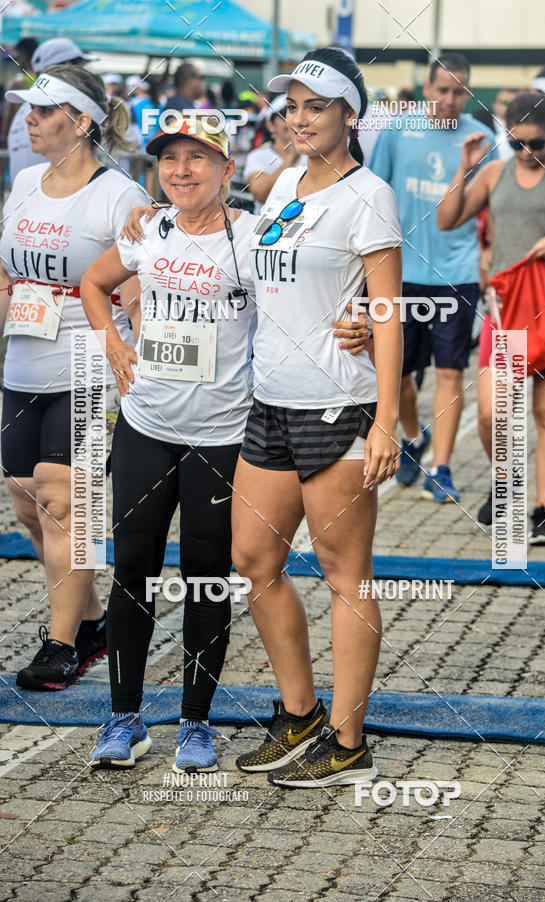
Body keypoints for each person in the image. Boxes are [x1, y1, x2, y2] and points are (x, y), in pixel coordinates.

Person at [82, 112, 369, 772]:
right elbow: (95, 286)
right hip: (145, 427)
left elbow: (305, 295)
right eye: (170, 160)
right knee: (132, 573)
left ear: (227, 170)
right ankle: (124, 717)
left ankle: (195, 723)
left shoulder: (253, 237)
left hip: (221, 436)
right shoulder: (147, 228)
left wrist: (355, 322)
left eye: (197, 159)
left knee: (207, 578)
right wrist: (113, 343)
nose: (181, 171)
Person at [231, 46, 403, 789]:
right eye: (291, 105)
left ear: (349, 116)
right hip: (269, 403)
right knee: (253, 563)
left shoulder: (369, 194)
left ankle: (348, 738)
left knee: (346, 578)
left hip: (338, 407)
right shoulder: (281, 186)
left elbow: (390, 313)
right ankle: (299, 715)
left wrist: (389, 420)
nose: (299, 118)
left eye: (317, 106)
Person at [0, 65, 147, 691]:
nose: (27, 120)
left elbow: (139, 290)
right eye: (26, 110)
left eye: (42, 111)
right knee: (28, 504)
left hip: (88, 366)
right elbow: (6, 273)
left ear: (81, 122)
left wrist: (139, 364)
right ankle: (92, 620)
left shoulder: (121, 196)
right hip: (22, 363)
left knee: (67, 507)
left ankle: (61, 645)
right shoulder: (26, 181)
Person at [437, 91, 545, 544]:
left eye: (537, 143)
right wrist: (464, 171)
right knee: (492, 412)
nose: (527, 152)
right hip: (507, 311)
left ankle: (543, 511)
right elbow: (447, 220)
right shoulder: (495, 172)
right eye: (517, 143)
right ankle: (503, 481)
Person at [370, 51, 497, 502]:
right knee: (400, 372)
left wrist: (488, 259)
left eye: (459, 90)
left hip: (457, 272)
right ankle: (412, 436)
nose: (450, 98)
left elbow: (491, 206)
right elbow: (371, 192)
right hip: (399, 272)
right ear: (426, 89)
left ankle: (441, 469)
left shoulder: (482, 137)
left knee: (449, 371)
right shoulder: (397, 130)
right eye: (442, 89)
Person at [8, 39, 97, 181]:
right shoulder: (72, 109)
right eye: (81, 64)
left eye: (45, 111)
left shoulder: (23, 109)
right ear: (69, 66)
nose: (29, 119)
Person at [243, 95, 300, 213]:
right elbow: (260, 194)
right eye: (284, 114)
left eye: (296, 113)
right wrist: (290, 159)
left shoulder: (314, 155)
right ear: (270, 125)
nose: (293, 121)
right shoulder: (257, 156)